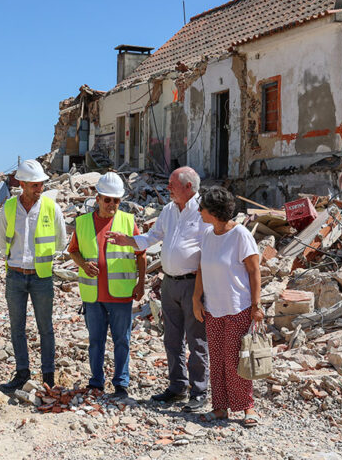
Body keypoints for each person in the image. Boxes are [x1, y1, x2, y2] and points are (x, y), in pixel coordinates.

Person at [106, 166, 209, 411]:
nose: (168, 188)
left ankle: (199, 391)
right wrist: (128, 241)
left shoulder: (203, 210)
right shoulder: (169, 210)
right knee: (172, 339)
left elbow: (210, 247)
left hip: (194, 285)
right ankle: (177, 387)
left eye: (173, 184)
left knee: (196, 340)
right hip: (170, 282)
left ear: (188, 187)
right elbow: (152, 237)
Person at [191, 186, 264, 427]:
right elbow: (202, 268)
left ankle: (247, 408)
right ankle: (220, 408)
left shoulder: (240, 234)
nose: (199, 211)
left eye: (203, 208)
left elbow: (254, 270)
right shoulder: (209, 235)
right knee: (218, 360)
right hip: (213, 310)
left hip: (238, 309)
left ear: (214, 211)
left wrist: (256, 306)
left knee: (236, 362)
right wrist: (196, 298)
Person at [69, 172, 146, 399]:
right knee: (96, 340)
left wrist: (141, 283)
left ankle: (121, 383)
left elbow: (141, 254)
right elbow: (73, 250)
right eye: (107, 199)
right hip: (93, 295)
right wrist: (83, 264)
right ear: (98, 198)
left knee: (122, 340)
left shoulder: (128, 222)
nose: (112, 204)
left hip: (121, 295)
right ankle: (96, 382)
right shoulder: (82, 223)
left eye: (116, 200)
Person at [0, 159, 67, 391]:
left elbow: (60, 241)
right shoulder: (8, 208)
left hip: (41, 276)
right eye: (35, 185)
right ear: (23, 184)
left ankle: (48, 377)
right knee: (17, 327)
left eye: (41, 184)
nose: (40, 189)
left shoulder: (51, 208)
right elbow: (0, 240)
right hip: (15, 275)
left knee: (45, 327)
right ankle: (22, 373)